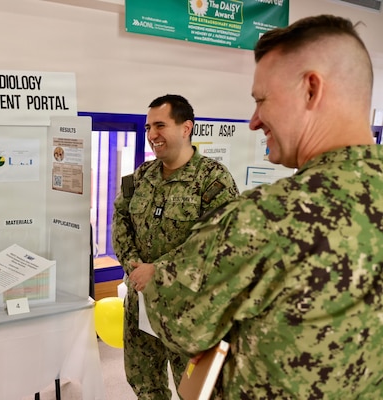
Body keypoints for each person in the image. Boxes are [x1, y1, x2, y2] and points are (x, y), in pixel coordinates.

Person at [141, 15, 383, 399]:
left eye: (261, 101)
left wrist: (154, 278)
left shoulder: (268, 217)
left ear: (311, 89)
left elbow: (178, 324)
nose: (254, 122)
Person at [112, 94, 239, 399]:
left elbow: (221, 246)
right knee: (145, 384)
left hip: (188, 313)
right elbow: (120, 221)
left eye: (160, 125)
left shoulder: (213, 180)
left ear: (185, 128)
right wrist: (133, 265)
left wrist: (158, 270)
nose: (152, 135)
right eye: (147, 128)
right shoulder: (143, 176)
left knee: (196, 392)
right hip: (141, 305)